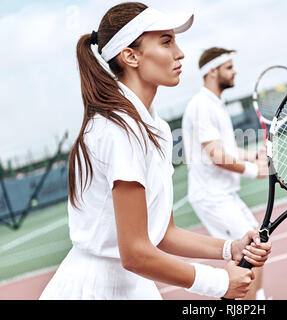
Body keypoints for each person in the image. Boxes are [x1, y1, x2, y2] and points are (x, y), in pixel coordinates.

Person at [39, 2, 271, 300]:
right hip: (93, 289)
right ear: (130, 56)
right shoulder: (119, 129)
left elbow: (162, 233)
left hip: (131, 284)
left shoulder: (154, 127)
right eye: (166, 41)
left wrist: (230, 248)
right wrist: (218, 282)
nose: (180, 52)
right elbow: (135, 253)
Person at [182, 47, 270, 300]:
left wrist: (253, 155)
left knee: (256, 246)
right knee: (249, 251)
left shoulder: (214, 104)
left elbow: (228, 150)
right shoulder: (202, 105)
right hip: (211, 196)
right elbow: (216, 155)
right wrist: (256, 171)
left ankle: (256, 299)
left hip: (224, 194)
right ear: (212, 71)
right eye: (229, 67)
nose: (235, 71)